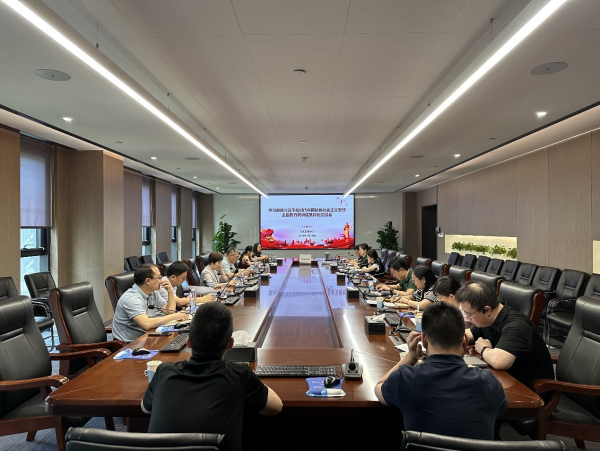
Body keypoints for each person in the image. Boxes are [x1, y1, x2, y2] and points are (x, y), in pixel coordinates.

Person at [142, 302, 282, 451]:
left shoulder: (163, 371)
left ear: (188, 342)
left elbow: (145, 408)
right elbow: (276, 407)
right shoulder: (239, 373)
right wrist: (251, 379)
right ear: (230, 344)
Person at [374, 302, 507, 440]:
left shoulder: (405, 378)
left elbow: (379, 387)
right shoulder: (489, 382)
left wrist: (411, 357)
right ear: (465, 341)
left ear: (424, 340)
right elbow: (500, 409)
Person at [457, 281, 554, 392]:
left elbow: (499, 361)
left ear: (486, 310)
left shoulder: (517, 325)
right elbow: (468, 334)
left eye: (468, 314)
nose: (467, 318)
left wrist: (484, 349)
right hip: (506, 381)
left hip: (530, 391)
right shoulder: (488, 319)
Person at [113, 263, 189, 342]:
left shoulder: (153, 293)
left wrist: (170, 291)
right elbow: (146, 324)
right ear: (148, 281)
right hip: (130, 343)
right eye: (159, 277)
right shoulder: (131, 298)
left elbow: (170, 311)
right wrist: (174, 317)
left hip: (148, 336)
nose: (162, 280)